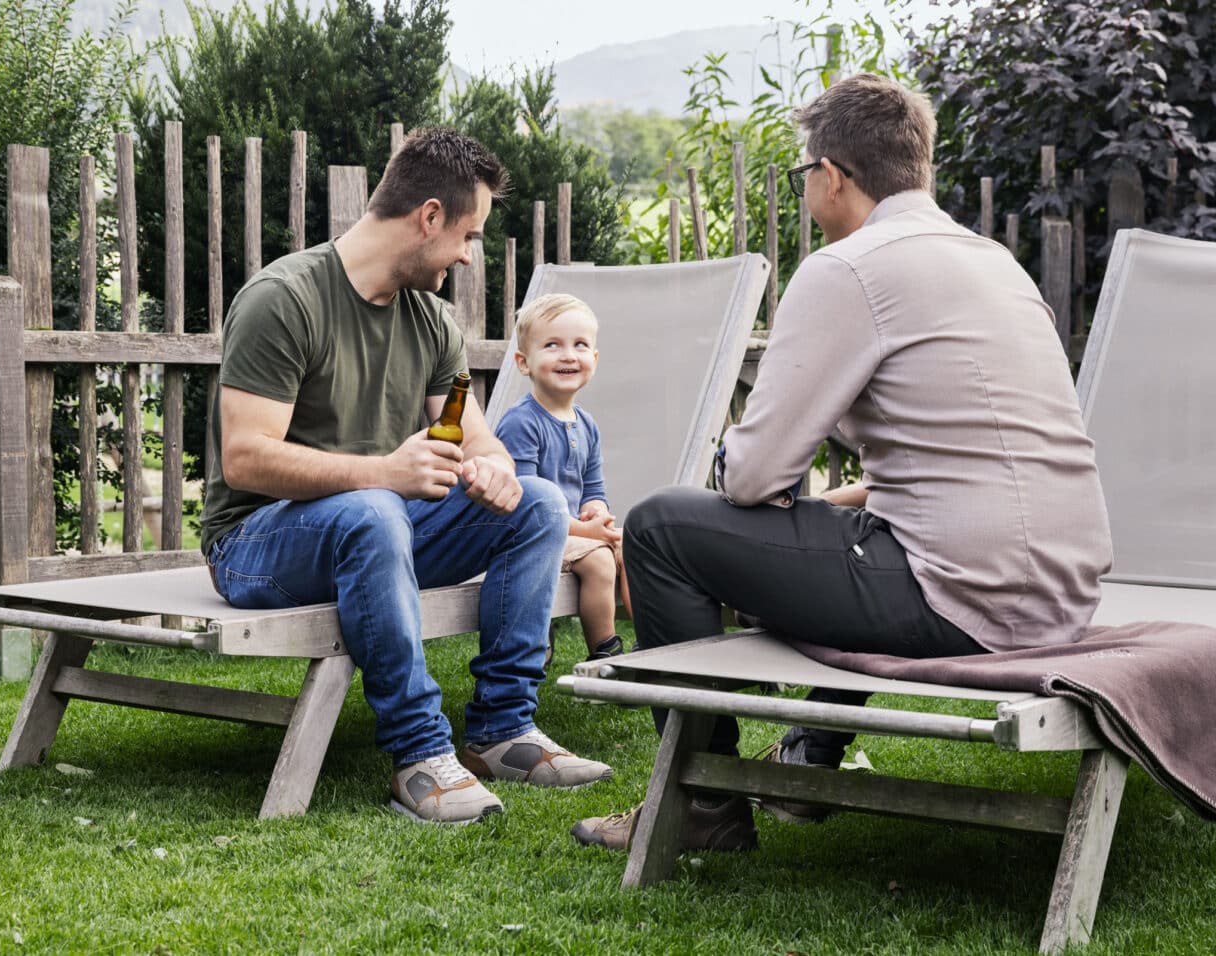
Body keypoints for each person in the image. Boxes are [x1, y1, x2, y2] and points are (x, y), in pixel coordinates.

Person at [571, 74, 1113, 851]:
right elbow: (963, 463)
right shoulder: (995, 263)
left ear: (830, 174)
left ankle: (704, 805)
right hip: (1063, 591)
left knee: (660, 526)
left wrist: (742, 466)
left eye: (802, 176)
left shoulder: (847, 268)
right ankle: (809, 757)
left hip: (961, 598)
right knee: (855, 535)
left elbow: (755, 478)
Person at [200, 127, 612, 826]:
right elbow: (245, 458)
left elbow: (478, 436)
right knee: (374, 508)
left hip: (376, 530)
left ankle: (501, 728)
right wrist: (385, 472)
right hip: (257, 545)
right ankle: (421, 754)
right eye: (469, 236)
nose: (469, 255)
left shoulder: (432, 321)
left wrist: (497, 475)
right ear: (429, 218)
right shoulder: (285, 299)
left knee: (539, 503)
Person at [495, 294, 633, 670]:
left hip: (573, 531)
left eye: (580, 345)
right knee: (602, 561)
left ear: (594, 360)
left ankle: (653, 645)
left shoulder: (586, 424)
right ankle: (605, 653)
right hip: (530, 535)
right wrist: (590, 534)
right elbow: (524, 503)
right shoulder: (522, 422)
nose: (569, 355)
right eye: (552, 345)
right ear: (524, 363)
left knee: (632, 549)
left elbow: (593, 486)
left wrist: (596, 512)